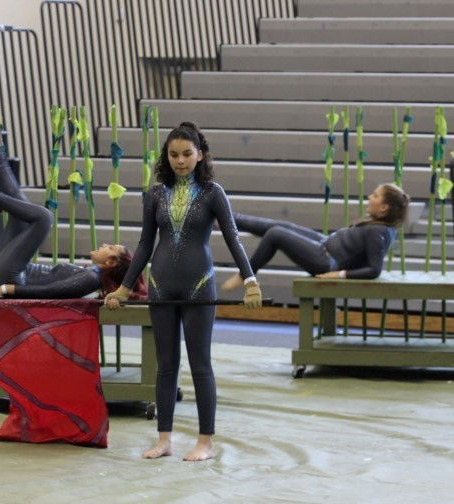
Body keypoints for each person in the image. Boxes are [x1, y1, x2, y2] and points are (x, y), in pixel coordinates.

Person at [104, 122, 262, 462]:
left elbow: (233, 237)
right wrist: (124, 288)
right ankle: (164, 439)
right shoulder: (155, 194)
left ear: (200, 155)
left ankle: (205, 442)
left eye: (187, 154)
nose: (180, 161)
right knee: (165, 366)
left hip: (199, 286)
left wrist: (250, 281)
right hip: (161, 287)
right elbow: (144, 245)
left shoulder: (212, 192)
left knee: (200, 364)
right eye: (174, 154)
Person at [0, 117, 147, 300]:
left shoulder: (91, 278)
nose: (104, 244)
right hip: (12, 272)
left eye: (110, 247)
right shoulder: (91, 274)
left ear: (110, 262)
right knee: (22, 208)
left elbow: (49, 291)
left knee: (44, 218)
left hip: (10, 278)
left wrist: (4, 289)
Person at [220, 183, 409, 290]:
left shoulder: (379, 232)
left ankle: (246, 275)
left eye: (375, 196)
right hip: (324, 244)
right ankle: (227, 218)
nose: (369, 197)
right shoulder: (379, 227)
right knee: (284, 226)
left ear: (384, 207)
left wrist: (340, 275)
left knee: (276, 234)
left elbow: (374, 269)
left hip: (326, 260)